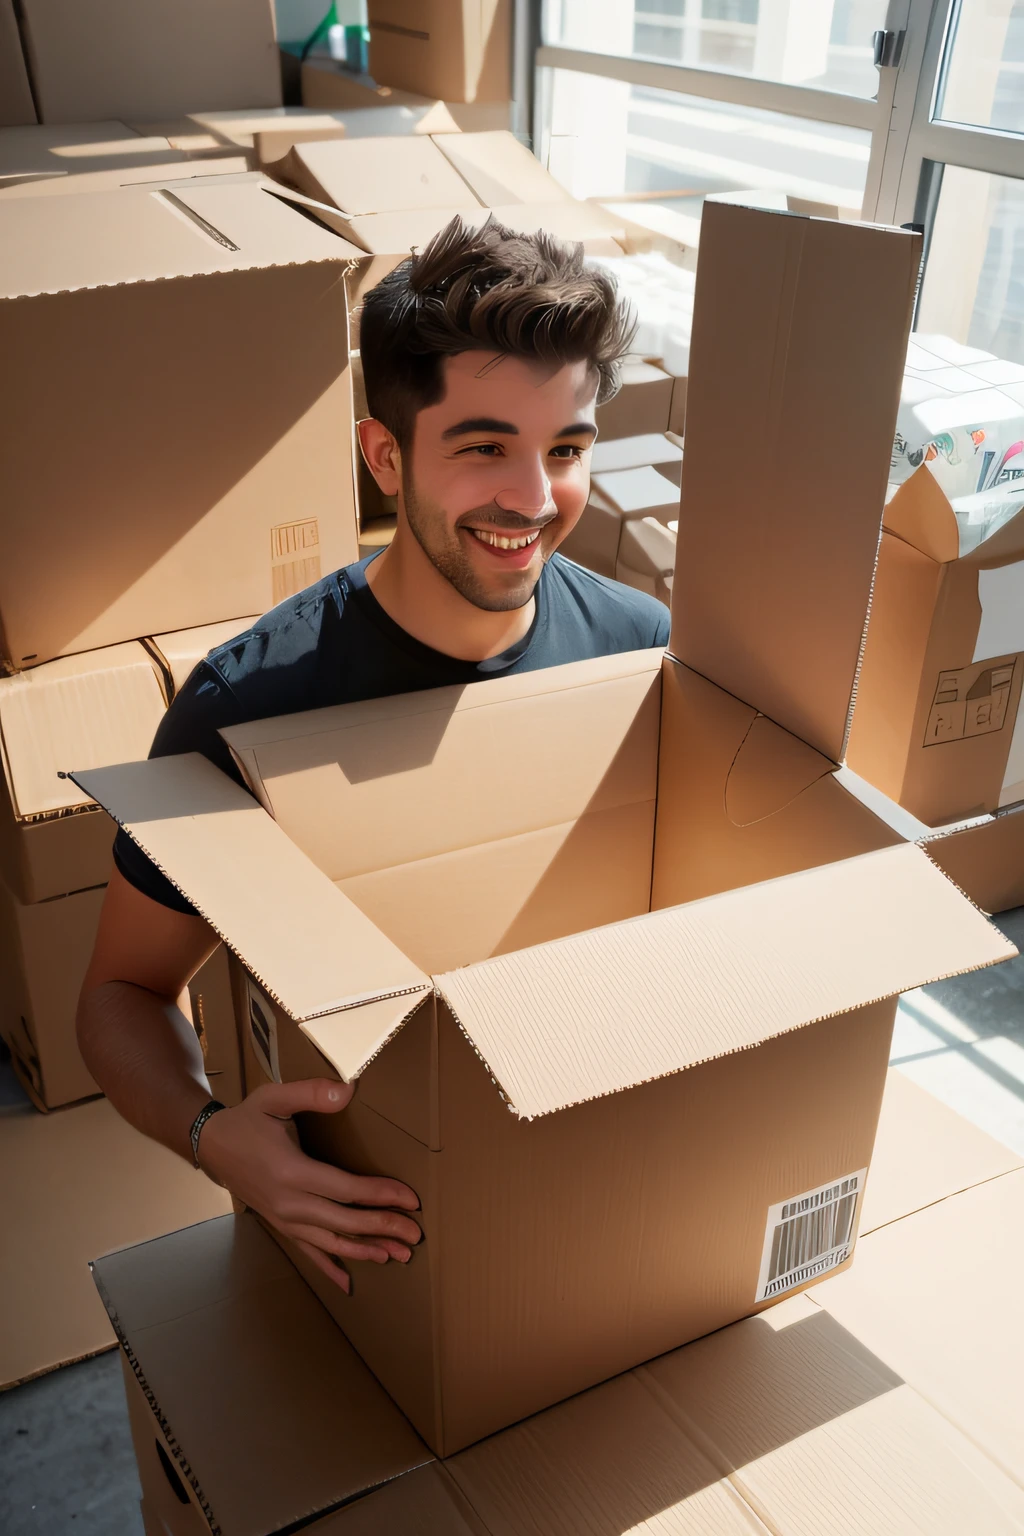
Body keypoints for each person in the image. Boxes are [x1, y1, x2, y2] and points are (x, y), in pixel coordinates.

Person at [77, 215, 671, 1294]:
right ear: (384, 454)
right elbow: (120, 994)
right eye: (485, 446)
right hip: (371, 1237)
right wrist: (214, 1135)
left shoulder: (641, 650)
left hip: (598, 1190)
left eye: (567, 450)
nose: (535, 502)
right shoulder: (247, 706)